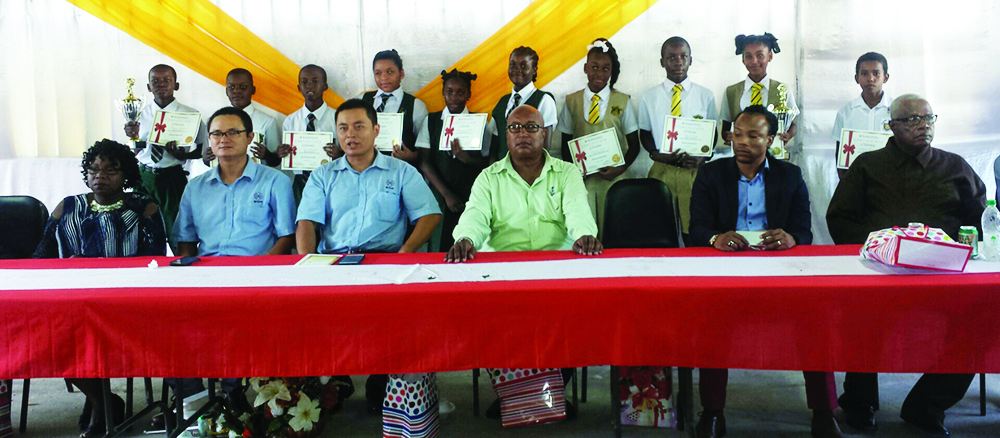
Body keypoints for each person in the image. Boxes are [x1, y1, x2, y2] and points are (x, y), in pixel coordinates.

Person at [827, 94, 986, 436]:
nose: (923, 125)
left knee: (981, 320)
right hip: (880, 275)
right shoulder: (867, 166)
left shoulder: (956, 167)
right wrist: (880, 248)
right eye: (913, 120)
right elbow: (839, 219)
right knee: (860, 316)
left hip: (944, 276)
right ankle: (859, 401)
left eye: (928, 118)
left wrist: (955, 249)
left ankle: (926, 405)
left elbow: (979, 222)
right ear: (892, 126)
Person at [689, 105, 842, 438]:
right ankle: (712, 411)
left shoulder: (789, 175)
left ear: (770, 139)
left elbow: (804, 229)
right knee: (712, 321)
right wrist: (716, 237)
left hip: (778, 265)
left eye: (753, 135)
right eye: (737, 134)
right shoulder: (711, 174)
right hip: (725, 266)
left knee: (815, 319)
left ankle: (823, 412)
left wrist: (790, 238)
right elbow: (697, 227)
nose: (741, 142)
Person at [445, 105, 601, 424]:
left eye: (531, 127)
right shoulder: (489, 177)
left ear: (544, 134)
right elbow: (474, 215)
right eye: (515, 129)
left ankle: (545, 391)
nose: (523, 134)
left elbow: (578, 211)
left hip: (555, 268)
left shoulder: (567, 173)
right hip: (504, 269)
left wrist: (585, 234)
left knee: (574, 316)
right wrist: (466, 239)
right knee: (493, 318)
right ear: (506, 136)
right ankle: (515, 394)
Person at [294, 98, 441, 416]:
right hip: (334, 262)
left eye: (359, 126)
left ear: (376, 130)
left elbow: (429, 214)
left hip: (384, 261)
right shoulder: (323, 175)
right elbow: (306, 222)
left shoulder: (401, 171)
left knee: (393, 326)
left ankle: (382, 381)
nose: (350, 135)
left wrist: (405, 252)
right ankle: (334, 381)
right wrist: (307, 263)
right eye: (343, 128)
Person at [33, 139, 166, 438]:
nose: (100, 176)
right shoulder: (67, 207)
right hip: (72, 300)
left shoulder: (144, 208)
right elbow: (40, 259)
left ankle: (100, 405)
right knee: (50, 336)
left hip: (126, 300)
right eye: (93, 169)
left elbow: (154, 261)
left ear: (126, 174)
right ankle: (103, 400)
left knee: (90, 331)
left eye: (110, 170)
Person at [638, 36, 719, 245]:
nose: (678, 62)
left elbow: (712, 133)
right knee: (661, 227)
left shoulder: (705, 95)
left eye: (683, 56)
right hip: (662, 170)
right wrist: (656, 154)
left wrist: (703, 158)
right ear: (662, 62)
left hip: (693, 173)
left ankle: (693, 272)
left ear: (691, 60)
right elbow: (645, 132)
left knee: (693, 229)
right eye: (671, 57)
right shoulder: (649, 97)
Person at [558, 38, 640, 238]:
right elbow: (564, 145)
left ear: (611, 71)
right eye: (594, 67)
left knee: (615, 233)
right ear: (585, 68)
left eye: (605, 68)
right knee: (585, 233)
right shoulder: (572, 101)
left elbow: (634, 146)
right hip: (582, 182)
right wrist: (574, 173)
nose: (599, 73)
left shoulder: (622, 101)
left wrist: (620, 168)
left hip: (615, 181)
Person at [124, 64, 207, 242]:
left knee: (177, 229)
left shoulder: (191, 115)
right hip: (144, 177)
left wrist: (183, 155)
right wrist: (133, 141)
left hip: (173, 177)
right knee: (141, 229)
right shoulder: (138, 116)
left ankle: (180, 263)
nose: (161, 85)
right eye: (155, 81)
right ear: (148, 87)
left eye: (166, 80)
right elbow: (134, 150)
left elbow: (201, 152)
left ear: (176, 85)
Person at [415, 68, 489, 251]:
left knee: (468, 241)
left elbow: (487, 163)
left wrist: (467, 159)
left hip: (470, 195)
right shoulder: (431, 121)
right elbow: (424, 161)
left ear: (469, 94)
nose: (454, 97)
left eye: (460, 92)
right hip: (440, 195)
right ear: (443, 93)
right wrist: (447, 195)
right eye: (449, 92)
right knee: (439, 244)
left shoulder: (479, 122)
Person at [719, 33, 798, 159]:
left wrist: (788, 135)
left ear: (770, 56)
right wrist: (728, 136)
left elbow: (793, 124)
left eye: (760, 55)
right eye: (748, 56)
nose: (754, 61)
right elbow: (725, 129)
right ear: (743, 59)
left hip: (773, 158)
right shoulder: (731, 92)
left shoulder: (782, 90)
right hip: (741, 160)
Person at [278, 64, 340, 204]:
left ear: (325, 86)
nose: (310, 86)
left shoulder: (337, 118)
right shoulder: (290, 121)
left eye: (315, 81)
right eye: (305, 82)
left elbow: (346, 152)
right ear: (299, 87)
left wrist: (338, 154)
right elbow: (287, 158)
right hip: (300, 183)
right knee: (302, 223)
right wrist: (282, 153)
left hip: (330, 180)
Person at [487, 46, 559, 162]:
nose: (517, 69)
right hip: (503, 174)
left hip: (530, 173)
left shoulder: (544, 100)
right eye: (513, 65)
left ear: (534, 69)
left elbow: (545, 147)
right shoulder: (503, 103)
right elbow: (494, 148)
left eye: (524, 66)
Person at [358, 49, 429, 165]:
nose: (384, 78)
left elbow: (424, 149)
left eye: (390, 72)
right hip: (365, 169)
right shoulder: (361, 100)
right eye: (378, 73)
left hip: (400, 170)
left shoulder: (416, 106)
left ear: (401, 73)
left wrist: (411, 156)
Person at [203, 69, 282, 168]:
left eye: (243, 87)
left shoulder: (267, 122)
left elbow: (276, 161)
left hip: (257, 180)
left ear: (253, 90)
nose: (237, 91)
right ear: (227, 91)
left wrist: (267, 155)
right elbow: (209, 160)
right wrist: (206, 158)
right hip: (223, 180)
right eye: (232, 87)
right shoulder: (214, 121)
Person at [831, 52, 892, 179]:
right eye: (864, 74)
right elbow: (840, 154)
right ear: (856, 78)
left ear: (885, 78)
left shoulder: (897, 110)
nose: (870, 78)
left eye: (876, 73)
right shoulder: (845, 112)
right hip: (856, 179)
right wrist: (845, 184)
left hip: (890, 178)